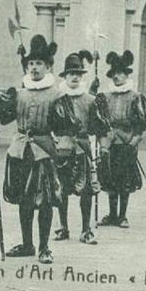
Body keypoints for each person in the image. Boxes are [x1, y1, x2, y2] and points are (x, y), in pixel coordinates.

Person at [0, 34, 64, 264]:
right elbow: (4, 118)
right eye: (31, 63)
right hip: (20, 150)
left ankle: (44, 247)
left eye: (39, 63)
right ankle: (27, 244)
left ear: (48, 66)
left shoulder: (57, 95)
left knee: (45, 200)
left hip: (43, 152)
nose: (34, 68)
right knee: (24, 199)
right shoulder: (19, 93)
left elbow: (63, 126)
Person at [52, 50, 105, 244]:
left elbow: (97, 127)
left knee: (87, 191)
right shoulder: (56, 98)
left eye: (78, 74)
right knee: (62, 190)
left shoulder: (90, 100)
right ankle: (63, 227)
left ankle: (86, 230)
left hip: (83, 147)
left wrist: (101, 145)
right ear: (65, 76)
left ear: (82, 76)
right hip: (62, 147)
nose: (74, 77)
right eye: (71, 73)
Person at [94, 50, 146, 229]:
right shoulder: (105, 97)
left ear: (127, 75)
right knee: (110, 179)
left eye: (121, 73)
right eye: (114, 74)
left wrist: (134, 140)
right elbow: (99, 121)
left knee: (125, 180)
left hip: (127, 142)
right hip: (110, 143)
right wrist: (103, 143)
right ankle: (111, 214)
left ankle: (123, 216)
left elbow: (142, 122)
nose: (117, 77)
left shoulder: (135, 97)